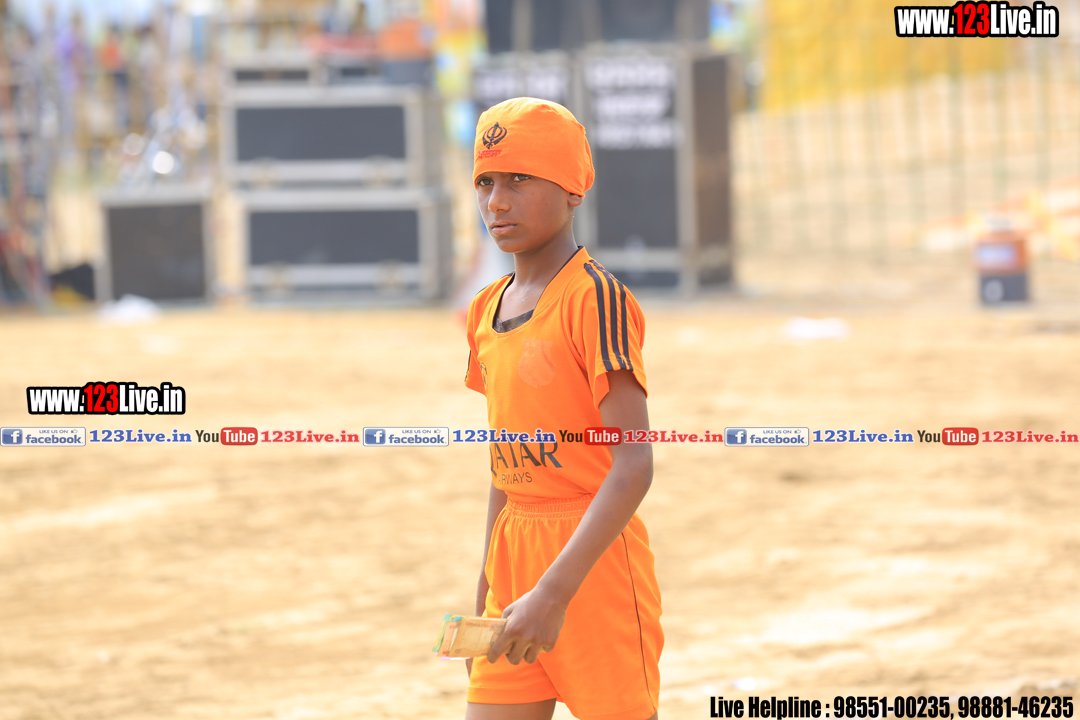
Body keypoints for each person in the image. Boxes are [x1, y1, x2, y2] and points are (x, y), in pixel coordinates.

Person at [462, 97, 663, 720]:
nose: (497, 202)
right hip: (513, 559)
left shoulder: (594, 298)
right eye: (486, 182)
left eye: (520, 179)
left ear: (573, 188)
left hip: (592, 566)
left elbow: (634, 465)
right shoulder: (485, 309)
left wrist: (554, 593)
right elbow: (504, 463)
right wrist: (487, 585)